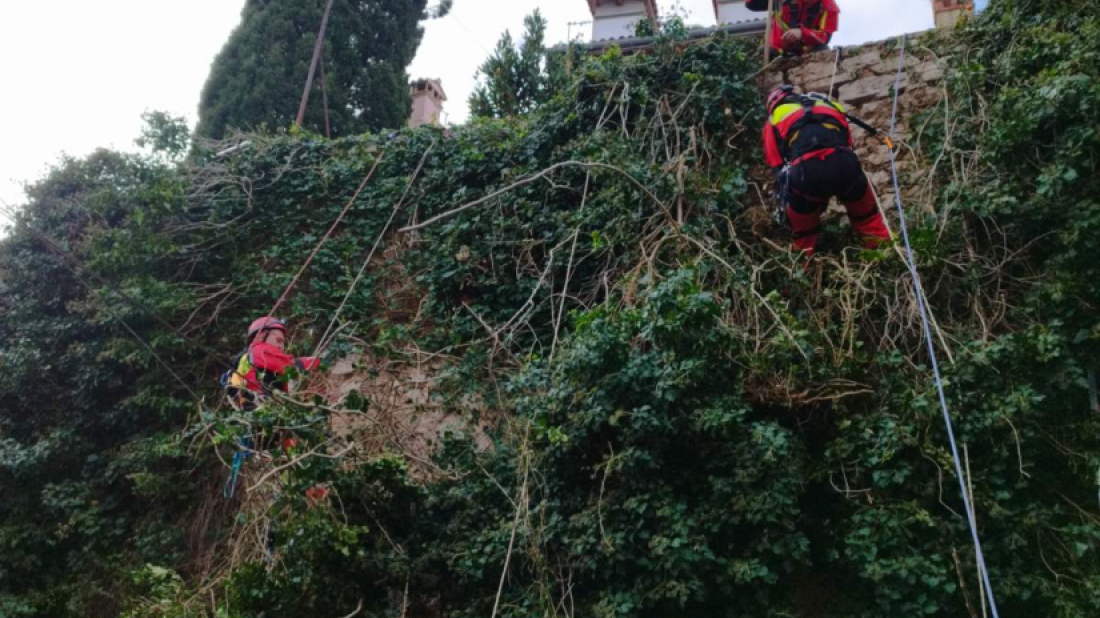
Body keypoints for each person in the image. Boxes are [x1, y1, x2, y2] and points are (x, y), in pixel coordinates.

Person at [763, 85, 891, 255]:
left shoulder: (773, 119)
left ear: (773, 104)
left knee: (804, 235)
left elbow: (777, 164)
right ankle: (885, 254)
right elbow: (848, 143)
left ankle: (805, 269)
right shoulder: (827, 103)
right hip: (844, 165)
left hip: (806, 174)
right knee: (867, 218)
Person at [222, 317, 319, 410]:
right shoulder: (258, 349)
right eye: (278, 340)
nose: (282, 347)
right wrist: (320, 361)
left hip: (263, 409)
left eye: (283, 343)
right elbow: (290, 368)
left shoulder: (250, 359)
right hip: (263, 405)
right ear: (261, 336)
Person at [746, 0, 840, 56]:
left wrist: (802, 33)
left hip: (808, 50)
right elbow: (751, 4)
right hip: (778, 49)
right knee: (762, 52)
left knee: (823, 51)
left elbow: (825, 37)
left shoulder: (828, 6)